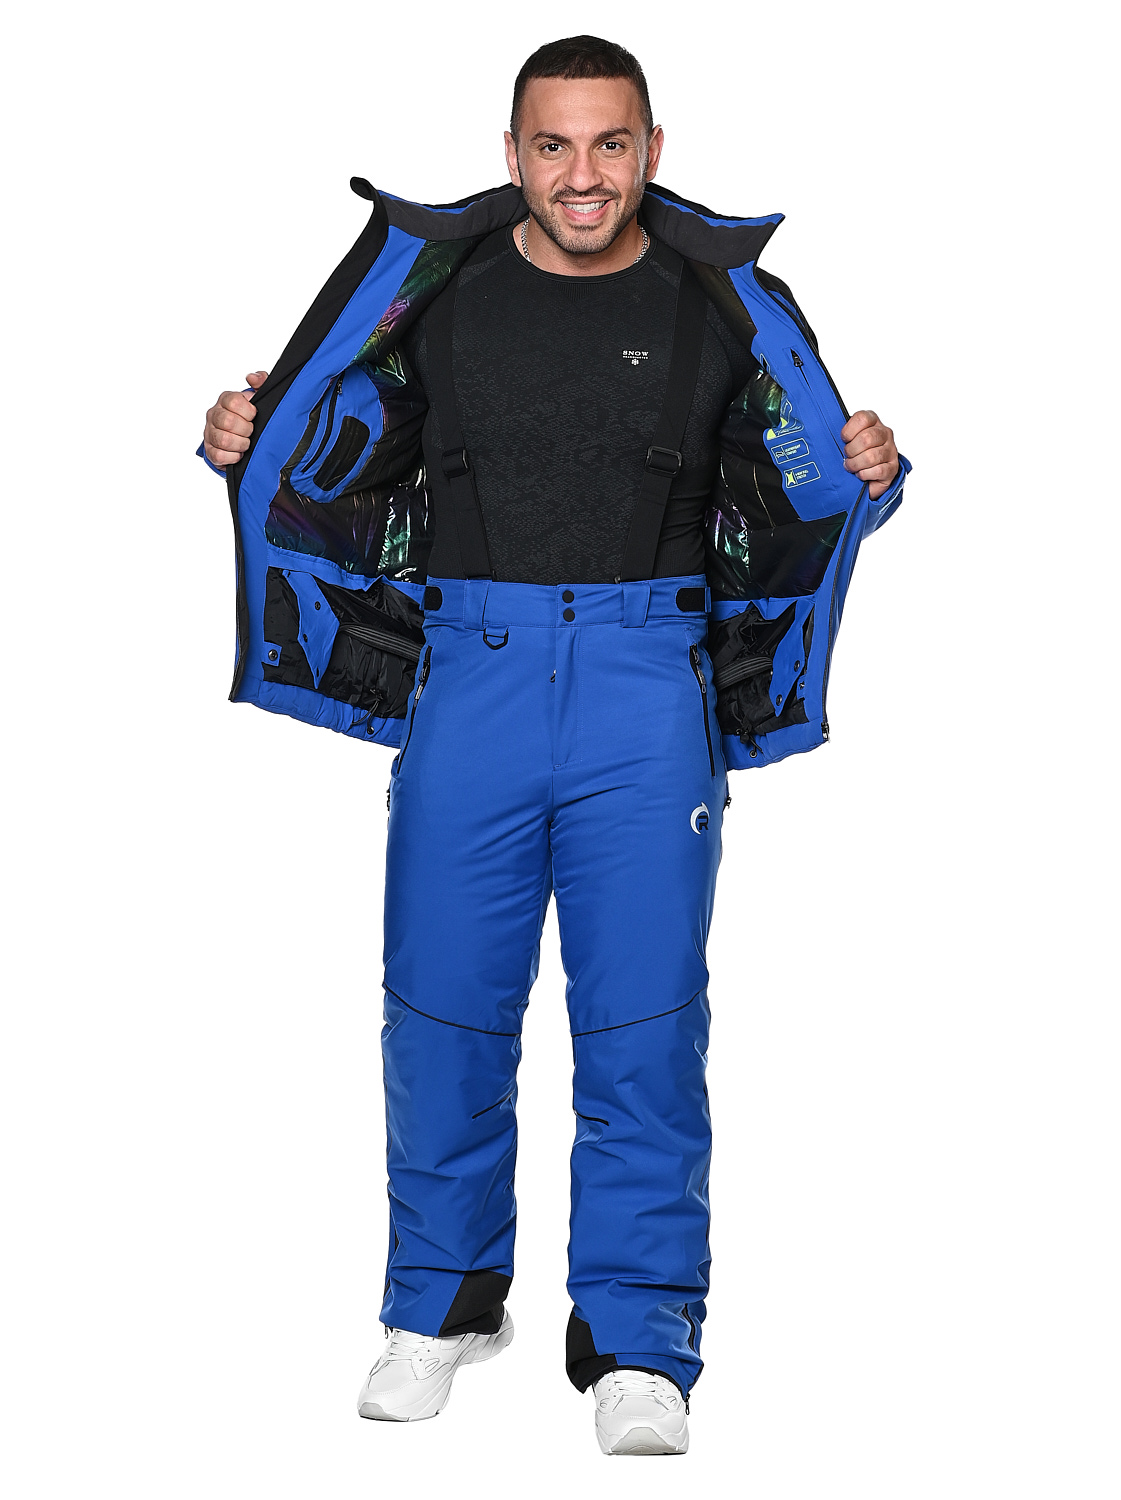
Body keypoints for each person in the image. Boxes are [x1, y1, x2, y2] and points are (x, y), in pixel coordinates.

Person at [201, 36, 906, 1456]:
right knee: (440, 1010)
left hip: (649, 686)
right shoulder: (432, 292)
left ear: (651, 148)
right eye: (553, 144)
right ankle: (442, 1303)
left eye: (609, 144)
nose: (582, 174)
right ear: (513, 151)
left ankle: (640, 1343)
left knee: (644, 1023)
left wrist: (876, 475)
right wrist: (242, 439)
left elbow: (801, 478)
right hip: (472, 675)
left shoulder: (721, 303)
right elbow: (333, 450)